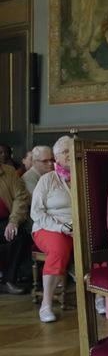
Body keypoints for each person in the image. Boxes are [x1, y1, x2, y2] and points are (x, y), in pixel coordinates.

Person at [31, 136, 76, 323]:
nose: (69, 155)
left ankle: (100, 298)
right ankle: (46, 305)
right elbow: (36, 213)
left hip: (77, 228)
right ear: (56, 158)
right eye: (64, 152)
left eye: (71, 150)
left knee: (98, 245)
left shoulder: (84, 175)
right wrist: (60, 227)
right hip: (48, 227)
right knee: (59, 248)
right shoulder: (47, 180)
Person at [0, 161, 30, 295]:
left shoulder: (8, 171)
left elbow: (21, 197)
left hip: (6, 219)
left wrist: (14, 221)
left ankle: (8, 281)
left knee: (18, 237)